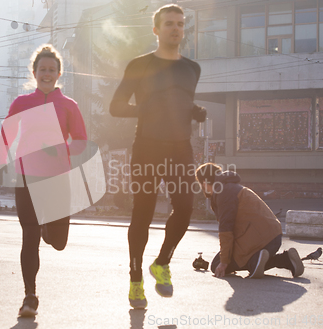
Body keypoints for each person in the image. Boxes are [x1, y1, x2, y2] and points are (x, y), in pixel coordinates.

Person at [110, 4, 206, 309]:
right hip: (147, 147)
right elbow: (116, 107)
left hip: (180, 148)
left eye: (180, 24)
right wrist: (144, 110)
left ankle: (162, 262)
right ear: (156, 30)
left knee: (186, 208)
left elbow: (177, 103)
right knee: (144, 213)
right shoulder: (140, 65)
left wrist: (193, 111)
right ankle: (135, 278)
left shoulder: (193, 68)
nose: (176, 28)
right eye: (169, 24)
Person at [0, 45, 87, 317]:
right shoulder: (21, 103)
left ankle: (49, 227)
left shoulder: (69, 105)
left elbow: (81, 142)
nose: (47, 74)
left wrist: (60, 150)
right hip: (27, 178)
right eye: (42, 69)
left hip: (57, 178)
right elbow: (6, 137)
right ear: (34, 73)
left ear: (59, 73)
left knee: (58, 242)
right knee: (29, 236)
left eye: (51, 69)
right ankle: (29, 296)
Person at [194, 163, 304, 279]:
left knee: (217, 264)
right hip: (273, 237)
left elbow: (226, 230)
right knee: (224, 258)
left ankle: (256, 262)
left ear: (205, 184)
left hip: (259, 240)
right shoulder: (231, 187)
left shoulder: (223, 192)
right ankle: (285, 260)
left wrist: (224, 262)